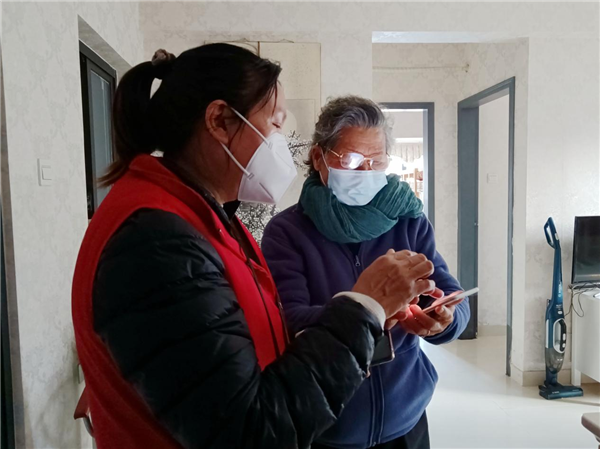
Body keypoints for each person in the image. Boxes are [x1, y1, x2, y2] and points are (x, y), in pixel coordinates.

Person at [71, 45, 443, 449]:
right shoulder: (155, 240)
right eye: (275, 124)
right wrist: (364, 308)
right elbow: (250, 432)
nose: (281, 143)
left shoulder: (207, 216)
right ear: (219, 121)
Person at [262, 96, 471, 449]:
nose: (365, 173)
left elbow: (452, 296)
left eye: (377, 162)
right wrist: (368, 310)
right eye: (351, 161)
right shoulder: (287, 232)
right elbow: (288, 322)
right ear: (319, 158)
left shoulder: (408, 221)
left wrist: (443, 319)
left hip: (406, 420)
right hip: (328, 424)